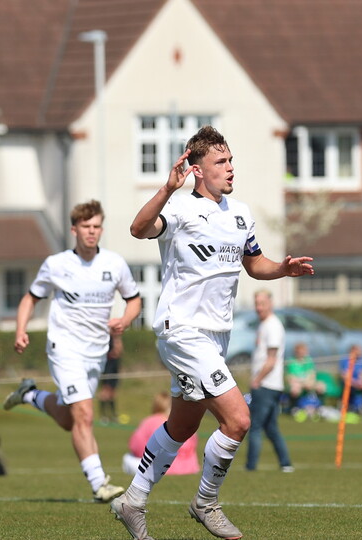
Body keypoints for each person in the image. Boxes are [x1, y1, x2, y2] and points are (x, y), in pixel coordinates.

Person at [113, 125, 314, 540]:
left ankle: (132, 500)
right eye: (220, 161)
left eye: (231, 160)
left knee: (182, 427)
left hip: (216, 338)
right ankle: (205, 501)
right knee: (238, 420)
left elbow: (253, 263)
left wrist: (282, 269)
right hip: (182, 331)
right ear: (198, 169)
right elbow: (138, 229)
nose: (230, 168)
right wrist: (167, 189)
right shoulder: (181, 210)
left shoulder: (240, 213)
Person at [4, 199, 142, 503]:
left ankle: (30, 395)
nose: (92, 233)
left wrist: (125, 320)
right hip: (64, 348)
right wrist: (20, 330)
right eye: (86, 227)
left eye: (96, 227)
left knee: (70, 419)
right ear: (74, 230)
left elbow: (134, 300)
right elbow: (30, 298)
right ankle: (99, 483)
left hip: (97, 353)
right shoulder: (56, 264)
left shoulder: (114, 264)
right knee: (85, 415)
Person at [245, 290, 294, 473]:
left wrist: (257, 380)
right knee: (271, 427)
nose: (258, 307)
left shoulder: (272, 326)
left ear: (270, 304)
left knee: (255, 426)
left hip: (267, 384)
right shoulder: (263, 325)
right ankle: (286, 463)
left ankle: (250, 467)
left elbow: (271, 359)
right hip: (270, 384)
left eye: (262, 303)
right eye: (256, 303)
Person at [123, 391, 200, 476]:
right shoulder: (185, 421)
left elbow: (135, 445)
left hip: (162, 468)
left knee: (128, 458)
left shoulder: (151, 421)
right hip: (190, 466)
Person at [285, 342, 325, 420]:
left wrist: (309, 383)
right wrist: (303, 383)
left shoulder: (309, 360)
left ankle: (319, 407)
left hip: (308, 382)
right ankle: (294, 408)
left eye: (303, 351)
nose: (302, 353)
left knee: (321, 386)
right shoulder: (291, 361)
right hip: (296, 384)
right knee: (295, 388)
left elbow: (312, 374)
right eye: (300, 351)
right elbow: (290, 378)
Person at [338, 344, 362, 415]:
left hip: (358, 384)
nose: (361, 352)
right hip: (349, 383)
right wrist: (355, 383)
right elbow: (345, 376)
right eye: (359, 350)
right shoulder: (345, 360)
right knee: (348, 386)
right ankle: (345, 406)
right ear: (353, 351)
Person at [99, 333, 124, 425]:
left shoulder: (116, 337)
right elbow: (114, 352)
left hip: (114, 365)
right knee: (105, 391)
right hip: (108, 366)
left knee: (112, 392)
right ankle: (103, 416)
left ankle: (113, 415)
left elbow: (119, 351)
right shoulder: (106, 338)